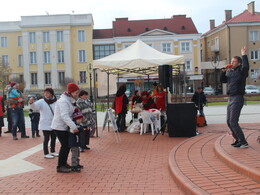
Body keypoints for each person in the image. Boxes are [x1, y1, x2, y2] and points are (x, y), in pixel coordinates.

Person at [220, 46, 249, 148]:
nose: (232, 63)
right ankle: (238, 140)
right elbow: (223, 81)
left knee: (233, 121)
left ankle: (243, 142)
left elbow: (246, 67)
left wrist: (244, 55)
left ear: (239, 63)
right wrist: (223, 72)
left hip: (238, 97)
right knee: (229, 121)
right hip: (231, 98)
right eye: (231, 61)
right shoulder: (230, 72)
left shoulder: (241, 71)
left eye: (234, 61)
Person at [51, 83, 80, 173]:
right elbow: (64, 116)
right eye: (76, 92)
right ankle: (60, 166)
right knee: (65, 146)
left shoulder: (68, 100)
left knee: (66, 145)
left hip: (64, 126)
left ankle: (63, 163)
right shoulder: (63, 101)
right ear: (70, 92)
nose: (77, 94)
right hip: (59, 127)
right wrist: (73, 126)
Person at [29, 88, 58, 159]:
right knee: (46, 138)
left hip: (54, 122)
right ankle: (46, 153)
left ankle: (53, 151)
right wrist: (31, 103)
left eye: (47, 93)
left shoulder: (56, 101)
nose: (46, 94)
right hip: (45, 122)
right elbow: (35, 107)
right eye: (45, 93)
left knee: (54, 137)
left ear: (51, 94)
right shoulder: (42, 101)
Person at [69, 108, 86, 172]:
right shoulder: (73, 125)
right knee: (74, 154)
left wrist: (84, 127)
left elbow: (80, 127)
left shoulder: (78, 125)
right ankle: (74, 166)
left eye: (81, 119)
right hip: (73, 142)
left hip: (77, 142)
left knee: (77, 154)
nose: (80, 120)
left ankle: (77, 163)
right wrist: (82, 129)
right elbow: (77, 129)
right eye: (79, 119)